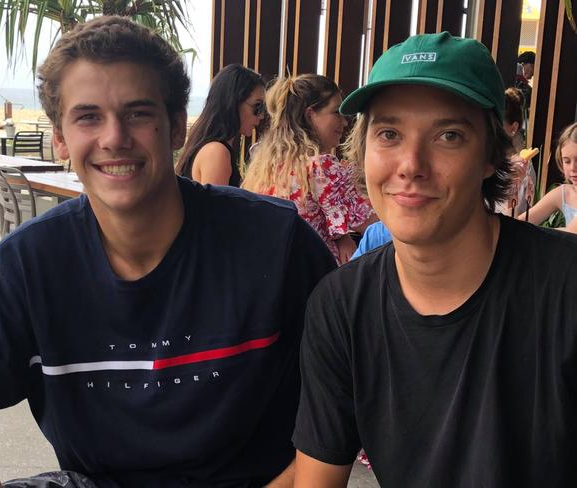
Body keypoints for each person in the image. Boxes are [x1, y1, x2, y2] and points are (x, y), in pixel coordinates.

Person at [0, 16, 336, 487]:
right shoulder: (33, 264)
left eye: (139, 113)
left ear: (179, 126)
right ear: (60, 137)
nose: (114, 137)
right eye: (88, 117)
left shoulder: (275, 242)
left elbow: (343, 401)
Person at [293, 32, 577, 487]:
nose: (411, 164)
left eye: (448, 135)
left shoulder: (565, 288)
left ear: (490, 156)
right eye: (388, 133)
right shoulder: (341, 306)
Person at [242, 74, 375, 265]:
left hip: (274, 272)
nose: (345, 122)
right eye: (336, 112)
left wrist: (341, 236)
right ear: (310, 114)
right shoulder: (321, 166)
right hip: (316, 276)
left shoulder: (265, 166)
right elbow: (374, 224)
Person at [175, 64, 265, 186]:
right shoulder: (217, 152)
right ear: (234, 103)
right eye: (257, 107)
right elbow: (215, 205)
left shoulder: (208, 146)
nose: (261, 116)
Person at [520, 122, 577, 228]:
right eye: (567, 161)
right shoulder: (563, 193)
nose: (573, 168)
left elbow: (571, 233)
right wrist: (514, 185)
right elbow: (518, 225)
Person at [495, 87, 536, 217]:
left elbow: (522, 215)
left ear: (513, 128)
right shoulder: (481, 159)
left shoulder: (523, 165)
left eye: (497, 126)